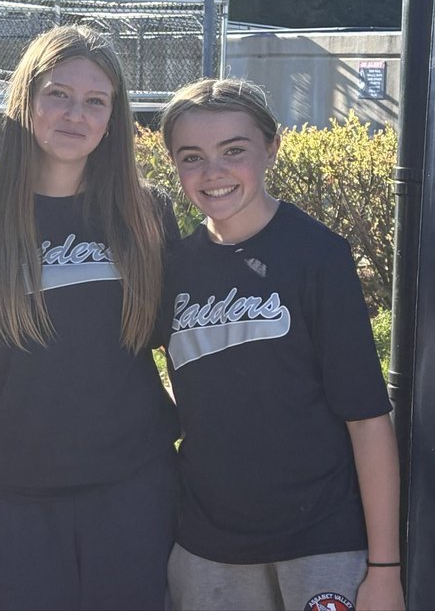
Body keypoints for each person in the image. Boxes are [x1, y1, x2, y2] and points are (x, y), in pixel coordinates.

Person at [159, 78, 404, 611]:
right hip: (209, 549)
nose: (213, 172)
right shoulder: (172, 269)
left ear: (271, 148)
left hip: (322, 543)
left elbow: (366, 419)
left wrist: (386, 568)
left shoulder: (319, 256)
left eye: (234, 150)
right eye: (192, 156)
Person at [0, 24, 181, 611]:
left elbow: (180, 345)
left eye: (96, 101)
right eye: (59, 94)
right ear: (26, 99)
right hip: (21, 488)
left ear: (114, 117)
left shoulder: (146, 214)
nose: (76, 114)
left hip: (135, 484)